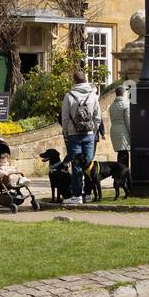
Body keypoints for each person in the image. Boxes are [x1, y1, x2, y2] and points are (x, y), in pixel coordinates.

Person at [60, 69, 101, 206]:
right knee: (89, 165)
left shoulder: (69, 96)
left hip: (74, 135)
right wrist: (93, 131)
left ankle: (77, 196)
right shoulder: (93, 95)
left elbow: (65, 118)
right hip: (89, 134)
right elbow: (98, 117)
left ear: (74, 81)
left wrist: (66, 133)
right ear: (85, 80)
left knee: (76, 166)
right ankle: (88, 194)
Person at [108, 83, 132, 173]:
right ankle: (123, 176)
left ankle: (119, 175)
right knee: (124, 155)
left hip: (114, 131)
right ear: (124, 93)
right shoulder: (126, 105)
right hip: (123, 132)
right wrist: (132, 134)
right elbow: (128, 122)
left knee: (121, 153)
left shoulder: (112, 105)